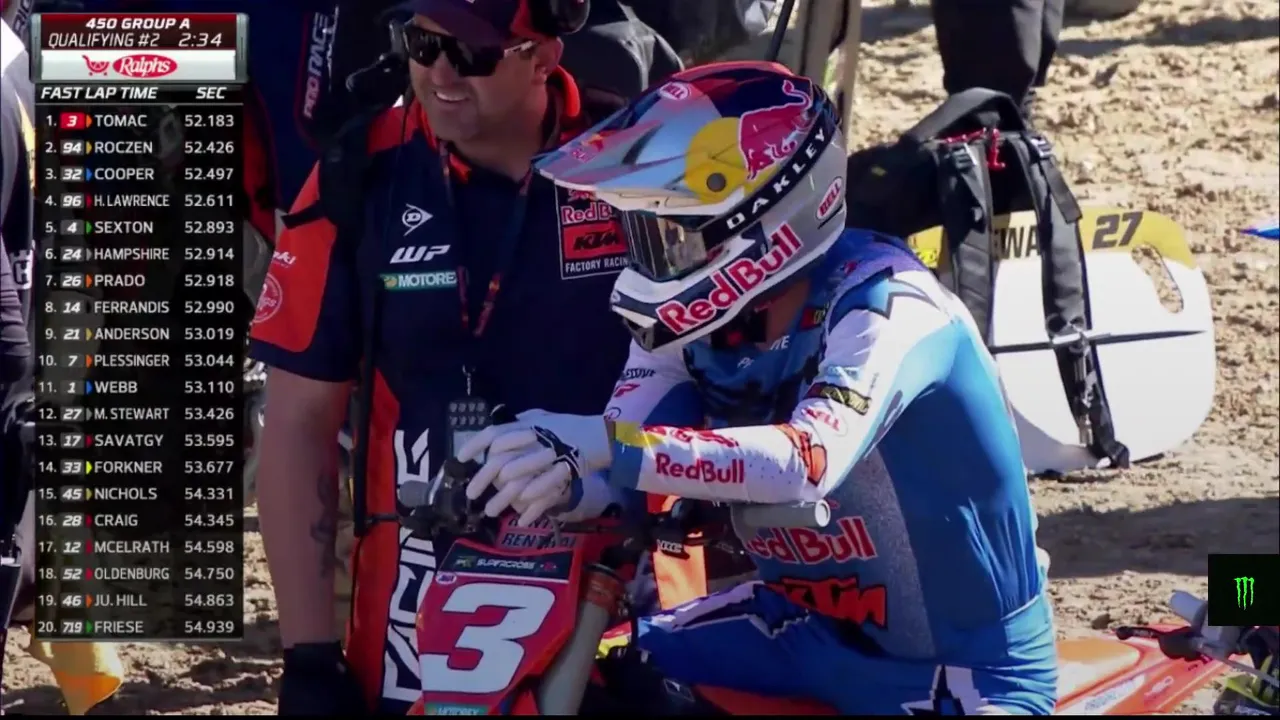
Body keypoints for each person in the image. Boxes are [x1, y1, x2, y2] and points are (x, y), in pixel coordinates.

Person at [452, 62, 1058, 714]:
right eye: (640, 235)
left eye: (668, 235)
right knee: (578, 672)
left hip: (967, 671)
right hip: (798, 631)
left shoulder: (890, 304)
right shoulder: (686, 328)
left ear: (764, 217)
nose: (648, 261)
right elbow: (627, 476)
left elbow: (805, 463)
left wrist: (605, 444)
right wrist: (557, 480)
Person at [244, 0, 670, 712]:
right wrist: (309, 657)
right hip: (415, 605)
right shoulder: (359, 172)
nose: (440, 73)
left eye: (471, 54)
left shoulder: (639, 163)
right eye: (421, 43)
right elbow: (297, 419)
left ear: (542, 58)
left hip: (616, 597)